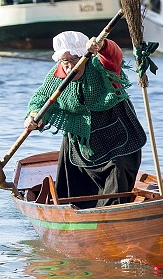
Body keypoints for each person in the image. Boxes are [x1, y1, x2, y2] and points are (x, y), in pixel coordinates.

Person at [24, 31, 146, 208]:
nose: (70, 66)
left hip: (118, 139)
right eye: (65, 61)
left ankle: (113, 219)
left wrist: (102, 45)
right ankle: (71, 216)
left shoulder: (101, 66)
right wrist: (33, 115)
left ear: (85, 56)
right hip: (81, 143)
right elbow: (40, 99)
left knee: (119, 176)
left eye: (75, 59)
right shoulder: (57, 75)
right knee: (71, 191)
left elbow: (114, 55)